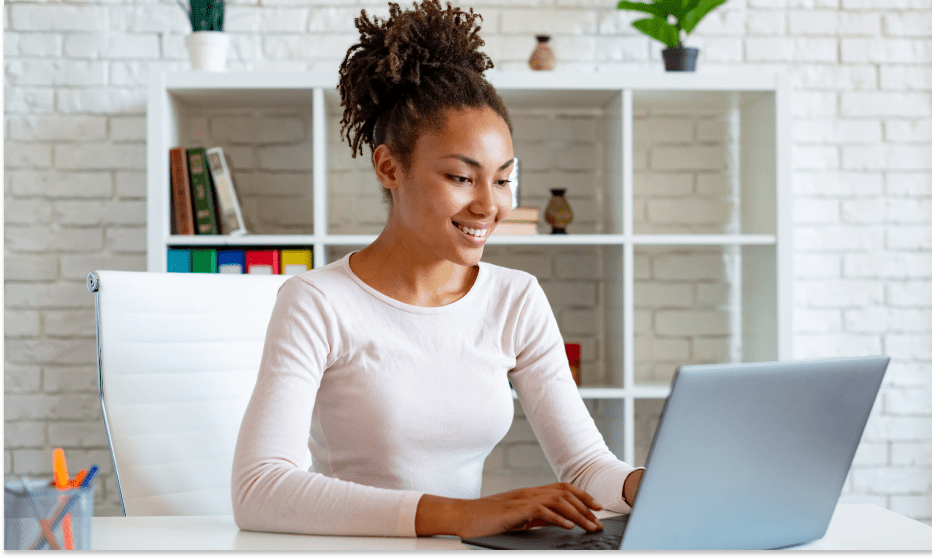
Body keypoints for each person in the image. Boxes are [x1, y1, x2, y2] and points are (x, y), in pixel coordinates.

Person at [231, 0, 644, 539]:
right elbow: (260, 488)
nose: (489, 206)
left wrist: (647, 484)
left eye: (501, 180)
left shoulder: (515, 298)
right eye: (460, 177)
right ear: (389, 167)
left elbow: (588, 467)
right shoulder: (318, 301)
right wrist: (465, 514)